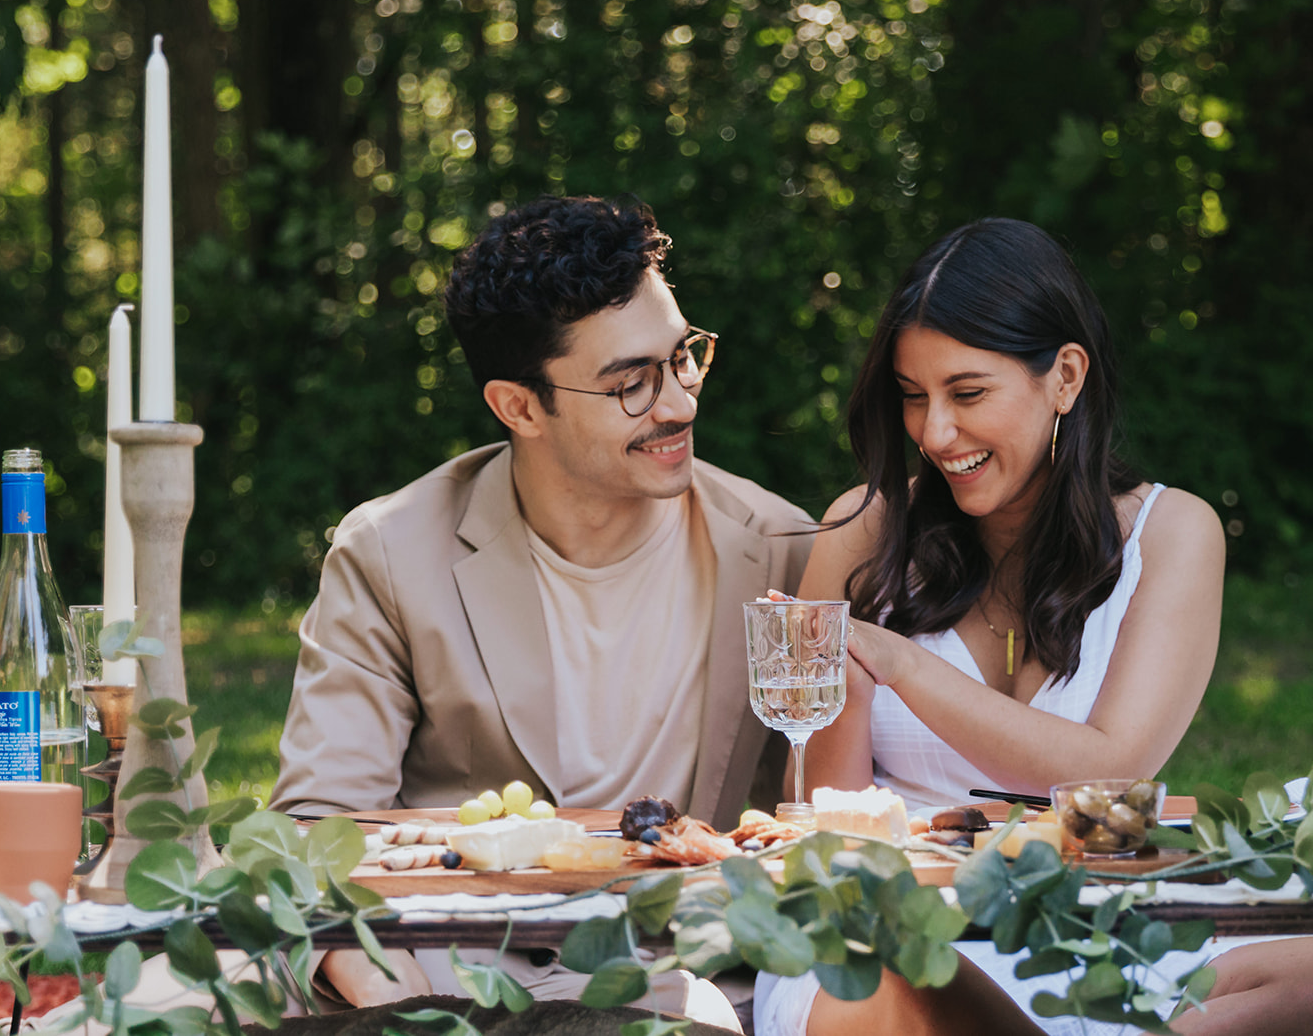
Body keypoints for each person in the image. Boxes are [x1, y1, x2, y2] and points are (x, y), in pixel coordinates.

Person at [269, 195, 816, 1022]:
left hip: (694, 979)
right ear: (518, 406)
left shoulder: (779, 547)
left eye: (684, 359)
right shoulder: (389, 551)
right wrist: (396, 998)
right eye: (632, 383)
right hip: (457, 975)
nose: (679, 404)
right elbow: (317, 827)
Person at [754, 217, 1226, 1036]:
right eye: (912, 396)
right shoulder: (861, 532)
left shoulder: (1173, 532)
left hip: (1082, 927)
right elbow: (828, 814)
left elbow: (1111, 772)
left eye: (967, 393)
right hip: (886, 925)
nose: (935, 433)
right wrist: (853, 691)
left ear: (1066, 377)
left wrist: (898, 662)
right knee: (905, 987)